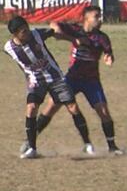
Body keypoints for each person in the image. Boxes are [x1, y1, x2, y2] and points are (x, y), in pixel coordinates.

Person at [30, 6, 122, 154]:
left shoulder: (102, 37)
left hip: (92, 81)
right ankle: (30, 141)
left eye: (100, 16)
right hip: (72, 79)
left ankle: (112, 146)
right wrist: (72, 39)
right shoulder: (75, 30)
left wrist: (109, 58)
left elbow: (108, 53)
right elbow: (53, 25)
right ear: (86, 18)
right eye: (96, 16)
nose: (100, 20)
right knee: (51, 106)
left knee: (103, 112)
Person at [4, 16, 94, 159]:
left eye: (27, 29)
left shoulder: (37, 34)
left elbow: (54, 32)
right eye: (23, 32)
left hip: (55, 78)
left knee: (73, 107)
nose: (27, 33)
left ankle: (88, 144)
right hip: (36, 81)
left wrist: (72, 39)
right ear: (14, 34)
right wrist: (28, 77)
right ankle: (32, 148)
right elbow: (21, 64)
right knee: (32, 108)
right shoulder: (9, 48)